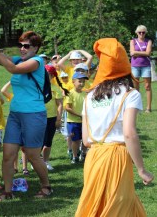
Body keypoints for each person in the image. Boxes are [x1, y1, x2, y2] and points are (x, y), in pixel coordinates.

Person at [75, 38, 154, 217]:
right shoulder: (130, 94)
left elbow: (86, 140)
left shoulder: (89, 96)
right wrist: (141, 169)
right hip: (117, 157)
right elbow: (129, 133)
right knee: (118, 207)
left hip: (94, 157)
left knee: (97, 205)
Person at [0, 31, 52, 200]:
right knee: (8, 154)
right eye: (20, 45)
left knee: (32, 155)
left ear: (36, 48)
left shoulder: (36, 62)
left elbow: (13, 68)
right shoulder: (19, 59)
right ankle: (7, 192)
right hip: (15, 114)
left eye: (26, 46)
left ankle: (46, 186)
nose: (22, 49)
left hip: (34, 114)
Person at [43, 65, 66, 170]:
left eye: (48, 74)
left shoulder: (55, 88)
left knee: (48, 142)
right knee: (38, 142)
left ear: (52, 76)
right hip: (38, 118)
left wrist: (58, 119)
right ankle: (36, 160)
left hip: (51, 118)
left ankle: (45, 161)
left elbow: (60, 104)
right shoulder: (37, 87)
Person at [64, 71, 88, 163]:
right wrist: (79, 115)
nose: (82, 83)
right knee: (76, 140)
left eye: (83, 82)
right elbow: (67, 107)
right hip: (73, 121)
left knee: (85, 139)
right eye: (80, 81)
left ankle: (83, 153)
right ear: (73, 82)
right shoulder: (70, 93)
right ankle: (75, 156)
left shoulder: (85, 94)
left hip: (84, 121)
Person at [130, 25, 153, 113]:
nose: (141, 34)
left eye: (143, 32)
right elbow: (132, 53)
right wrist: (142, 53)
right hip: (135, 66)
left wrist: (136, 52)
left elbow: (148, 53)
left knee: (147, 86)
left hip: (146, 66)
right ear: (136, 33)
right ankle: (137, 108)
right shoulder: (133, 41)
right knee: (136, 88)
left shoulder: (148, 41)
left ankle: (148, 108)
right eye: (140, 32)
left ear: (145, 33)